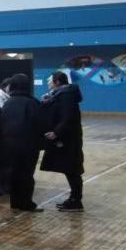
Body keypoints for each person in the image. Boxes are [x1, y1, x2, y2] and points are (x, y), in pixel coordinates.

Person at [40, 70, 85, 211]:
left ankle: (76, 200)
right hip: (67, 137)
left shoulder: (66, 95)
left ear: (57, 82)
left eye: (49, 80)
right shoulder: (60, 94)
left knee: (72, 169)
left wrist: (56, 132)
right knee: (69, 169)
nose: (47, 82)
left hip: (68, 139)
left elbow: (67, 117)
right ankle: (74, 198)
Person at [0, 73, 44, 212]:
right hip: (28, 145)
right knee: (26, 175)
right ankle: (26, 203)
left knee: (14, 174)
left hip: (8, 145)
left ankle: (15, 202)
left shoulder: (8, 103)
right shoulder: (32, 103)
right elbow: (40, 124)